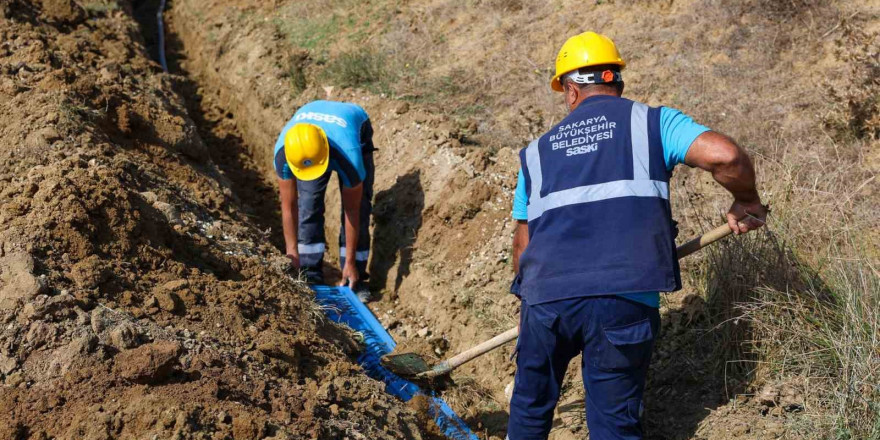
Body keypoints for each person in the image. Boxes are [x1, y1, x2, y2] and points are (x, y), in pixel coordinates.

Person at [507, 31, 768, 439]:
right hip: (622, 298)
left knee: (529, 410)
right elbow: (725, 155)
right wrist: (746, 199)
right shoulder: (653, 123)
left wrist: (528, 307)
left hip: (546, 301)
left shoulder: (535, 153)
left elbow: (523, 245)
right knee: (613, 424)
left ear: (571, 90)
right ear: (617, 82)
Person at [274, 100, 375, 301]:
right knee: (309, 202)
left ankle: (355, 275)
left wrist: (351, 263)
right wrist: (292, 254)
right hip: (309, 138)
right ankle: (310, 270)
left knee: (360, 204)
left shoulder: (349, 155)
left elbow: (351, 211)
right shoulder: (284, 153)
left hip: (352, 127)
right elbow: (289, 206)